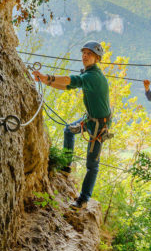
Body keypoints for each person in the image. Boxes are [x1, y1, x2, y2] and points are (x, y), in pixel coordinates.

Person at [32, 40, 112, 209]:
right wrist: (46, 81)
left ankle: (83, 199)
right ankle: (66, 166)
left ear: (97, 58)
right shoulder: (89, 73)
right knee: (69, 130)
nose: (85, 56)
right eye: (84, 53)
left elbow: (71, 80)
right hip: (91, 118)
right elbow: (68, 86)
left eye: (89, 54)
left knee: (92, 165)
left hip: (99, 125)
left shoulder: (93, 76)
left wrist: (48, 77)